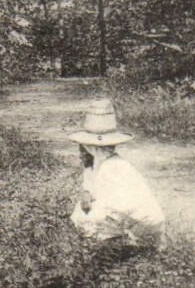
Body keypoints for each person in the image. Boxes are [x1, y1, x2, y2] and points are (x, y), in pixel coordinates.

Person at [68, 98, 165, 248]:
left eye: (83, 149)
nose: (80, 154)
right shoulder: (100, 162)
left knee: (83, 218)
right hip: (135, 220)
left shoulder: (113, 168)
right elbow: (89, 173)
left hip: (140, 224)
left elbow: (119, 207)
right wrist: (87, 192)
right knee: (84, 212)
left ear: (93, 149)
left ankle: (121, 248)